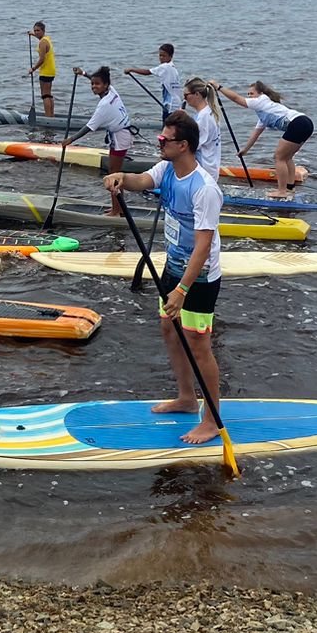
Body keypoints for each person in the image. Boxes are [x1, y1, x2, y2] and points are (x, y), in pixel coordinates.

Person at [104, 111, 223, 444]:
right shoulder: (167, 169)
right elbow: (142, 180)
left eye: (163, 139)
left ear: (182, 145)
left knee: (199, 345)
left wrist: (183, 289)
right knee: (169, 330)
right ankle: (187, 399)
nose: (158, 142)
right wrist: (119, 178)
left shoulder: (204, 189)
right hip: (172, 266)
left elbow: (203, 246)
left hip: (198, 278)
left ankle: (212, 420)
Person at [211, 80, 314, 197]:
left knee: (279, 158)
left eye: (252, 93)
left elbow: (236, 98)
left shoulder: (262, 100)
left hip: (298, 123)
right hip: (305, 123)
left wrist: (218, 87)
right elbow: (255, 135)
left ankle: (281, 191)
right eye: (248, 94)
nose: (249, 96)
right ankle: (290, 188)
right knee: (287, 157)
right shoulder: (263, 114)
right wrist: (245, 150)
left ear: (261, 93)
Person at [64, 66, 133, 215]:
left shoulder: (104, 105)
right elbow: (96, 79)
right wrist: (83, 74)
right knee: (114, 173)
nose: (94, 87)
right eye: (92, 84)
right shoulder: (112, 91)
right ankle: (118, 207)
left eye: (97, 84)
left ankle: (116, 210)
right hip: (122, 135)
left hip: (120, 138)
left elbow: (89, 127)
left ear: (106, 85)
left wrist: (70, 140)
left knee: (113, 174)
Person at [124, 42, 182, 123]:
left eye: (164, 56)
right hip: (176, 104)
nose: (161, 58)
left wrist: (131, 70)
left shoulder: (165, 67)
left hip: (170, 106)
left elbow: (147, 72)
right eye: (160, 55)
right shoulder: (173, 68)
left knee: (167, 128)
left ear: (171, 56)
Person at [182, 78, 222, 181]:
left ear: (197, 95)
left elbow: (193, 146)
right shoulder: (206, 112)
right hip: (210, 166)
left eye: (186, 95)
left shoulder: (204, 117)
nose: (184, 99)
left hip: (204, 170)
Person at [26, 21, 56, 117]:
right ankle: (51, 115)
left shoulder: (42, 43)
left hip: (46, 71)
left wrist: (33, 68)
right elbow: (39, 37)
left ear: (43, 31)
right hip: (51, 70)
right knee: (48, 94)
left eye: (38, 31)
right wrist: (32, 34)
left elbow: (42, 59)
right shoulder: (46, 39)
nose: (36, 32)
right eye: (35, 31)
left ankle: (48, 117)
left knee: (45, 95)